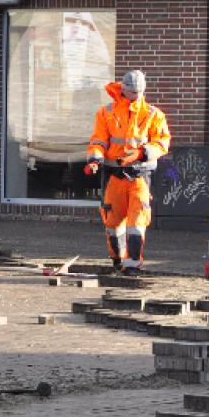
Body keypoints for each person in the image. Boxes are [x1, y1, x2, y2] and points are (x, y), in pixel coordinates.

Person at [85, 70, 171, 276]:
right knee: (113, 222)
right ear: (123, 90)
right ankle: (117, 258)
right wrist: (95, 159)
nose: (137, 95)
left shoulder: (153, 114)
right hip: (113, 174)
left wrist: (141, 153)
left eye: (140, 92)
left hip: (140, 175)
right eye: (133, 92)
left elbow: (162, 142)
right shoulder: (106, 112)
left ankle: (132, 264)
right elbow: (98, 140)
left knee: (137, 221)